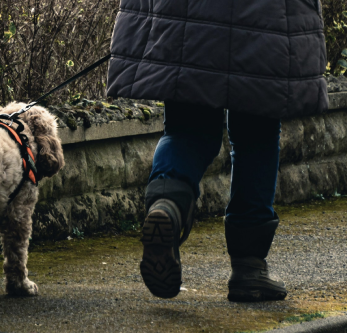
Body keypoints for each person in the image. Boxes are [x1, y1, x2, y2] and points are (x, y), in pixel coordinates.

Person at [106, 0, 328, 301]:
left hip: (186, 18)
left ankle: (167, 203)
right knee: (256, 136)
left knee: (188, 130)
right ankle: (249, 268)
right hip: (266, 22)